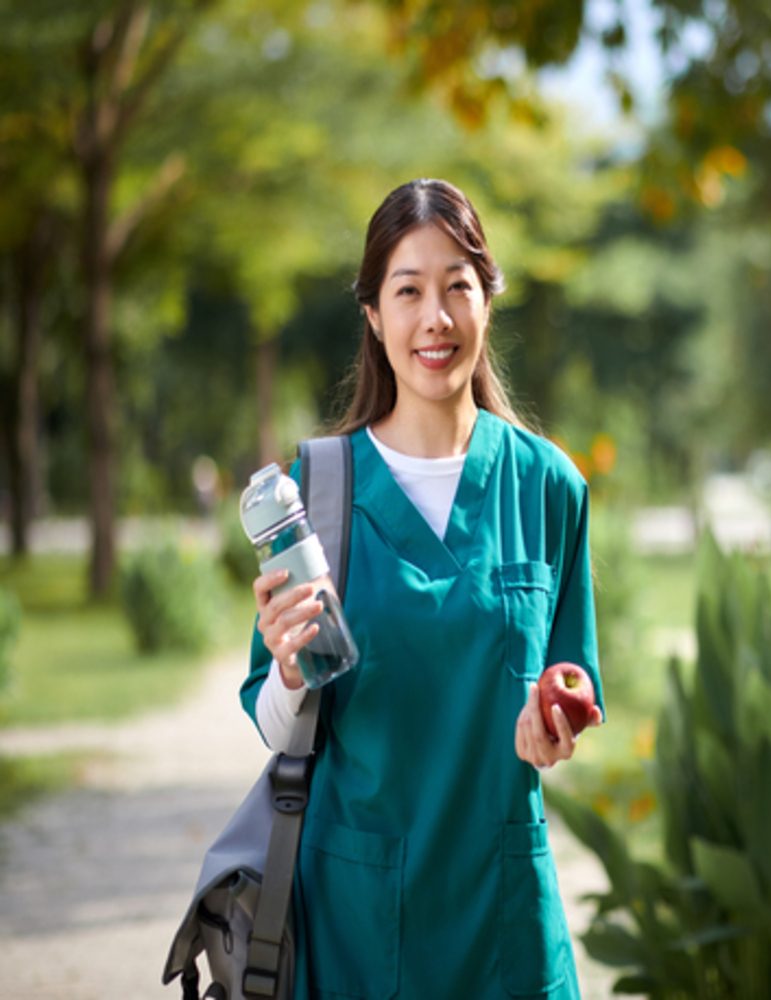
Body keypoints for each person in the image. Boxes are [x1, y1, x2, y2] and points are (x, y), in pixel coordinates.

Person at [240, 178, 605, 999]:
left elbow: (571, 688)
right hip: (354, 920)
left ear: (488, 301)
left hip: (503, 919)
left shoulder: (549, 488)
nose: (434, 319)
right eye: (408, 291)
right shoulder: (320, 490)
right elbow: (272, 721)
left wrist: (552, 732)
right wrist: (291, 671)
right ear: (373, 315)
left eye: (457, 288)